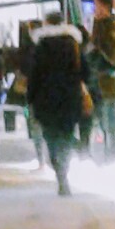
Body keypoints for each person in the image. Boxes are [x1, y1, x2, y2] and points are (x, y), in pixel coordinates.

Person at [26, 10, 89, 197]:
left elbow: (34, 76)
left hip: (46, 99)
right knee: (67, 135)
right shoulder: (74, 45)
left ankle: (59, 172)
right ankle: (64, 170)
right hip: (70, 97)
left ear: (47, 23)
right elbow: (85, 72)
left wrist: (31, 98)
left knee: (51, 137)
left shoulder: (41, 46)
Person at [86, 0, 115, 161]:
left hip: (108, 82)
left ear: (105, 8)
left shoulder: (112, 26)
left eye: (97, 6)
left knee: (109, 120)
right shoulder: (100, 26)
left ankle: (111, 155)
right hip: (100, 81)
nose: (94, 10)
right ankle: (106, 153)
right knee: (102, 118)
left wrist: (98, 49)